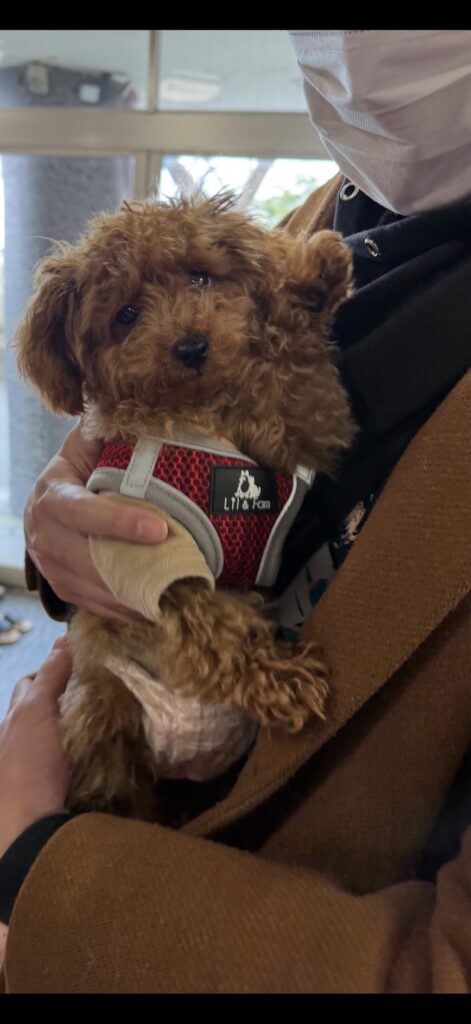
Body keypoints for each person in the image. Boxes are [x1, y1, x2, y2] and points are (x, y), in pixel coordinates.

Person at [1, 29, 470, 993]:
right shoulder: (330, 212)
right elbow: (151, 435)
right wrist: (67, 523)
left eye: (197, 285)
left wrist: (39, 871)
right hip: (118, 737)